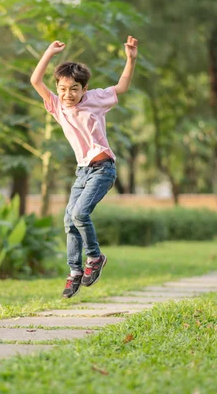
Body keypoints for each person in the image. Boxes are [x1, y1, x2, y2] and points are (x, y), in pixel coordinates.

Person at [30, 36, 138, 298]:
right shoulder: (57, 105)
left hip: (103, 168)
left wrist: (131, 59)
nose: (69, 94)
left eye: (75, 89)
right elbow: (35, 81)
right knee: (69, 221)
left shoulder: (96, 99)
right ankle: (75, 271)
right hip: (82, 172)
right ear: (58, 88)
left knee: (79, 214)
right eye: (64, 88)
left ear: (85, 88)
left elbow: (122, 86)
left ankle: (95, 257)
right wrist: (48, 53)